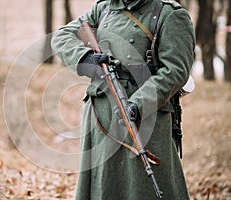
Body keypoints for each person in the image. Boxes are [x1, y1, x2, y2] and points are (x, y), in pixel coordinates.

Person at [51, 0, 195, 199]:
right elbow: (62, 36)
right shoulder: (103, 9)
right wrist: (84, 58)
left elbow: (175, 71)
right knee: (103, 187)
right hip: (101, 115)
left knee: (145, 188)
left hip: (144, 119)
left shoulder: (169, 14)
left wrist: (138, 104)